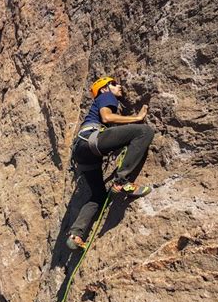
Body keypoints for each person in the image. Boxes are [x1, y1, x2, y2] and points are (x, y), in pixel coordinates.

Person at [66, 76, 155, 249]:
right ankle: (122, 182)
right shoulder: (106, 96)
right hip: (91, 141)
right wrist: (137, 118)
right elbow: (107, 118)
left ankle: (75, 234)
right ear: (105, 88)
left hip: (82, 153)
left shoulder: (100, 100)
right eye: (114, 84)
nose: (119, 86)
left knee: (98, 196)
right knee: (144, 132)